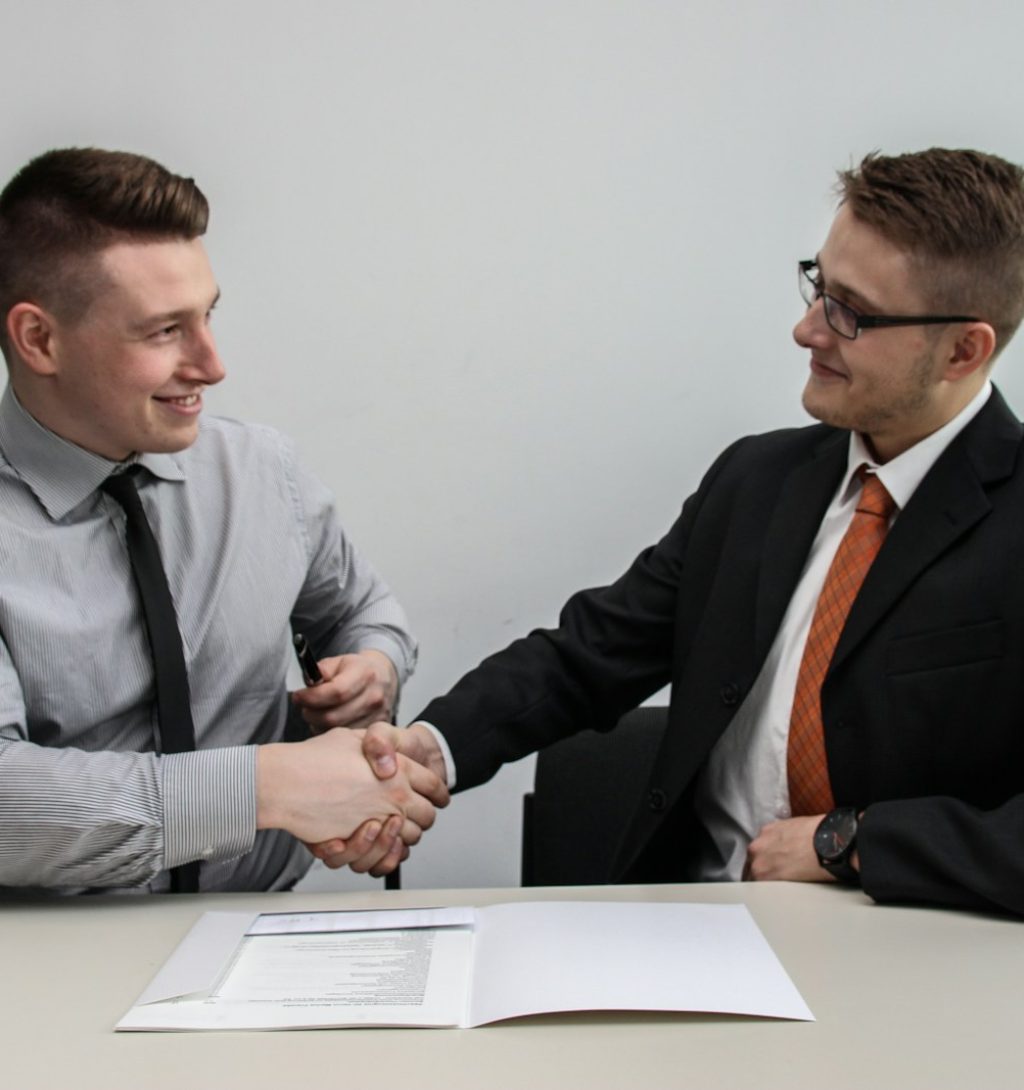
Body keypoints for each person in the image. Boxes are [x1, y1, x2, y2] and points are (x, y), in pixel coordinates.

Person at [337, 147, 1024, 916]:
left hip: (911, 960)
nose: (807, 329)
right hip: (694, 930)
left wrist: (851, 839)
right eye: (817, 287)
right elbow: (588, 656)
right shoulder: (757, 482)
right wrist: (428, 749)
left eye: (851, 312)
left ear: (965, 349)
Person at [0, 147, 447, 894]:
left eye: (208, 316)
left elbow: (365, 613)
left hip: (261, 934)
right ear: (40, 340)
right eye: (164, 331)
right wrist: (268, 785)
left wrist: (371, 669)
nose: (212, 365)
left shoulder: (264, 472)